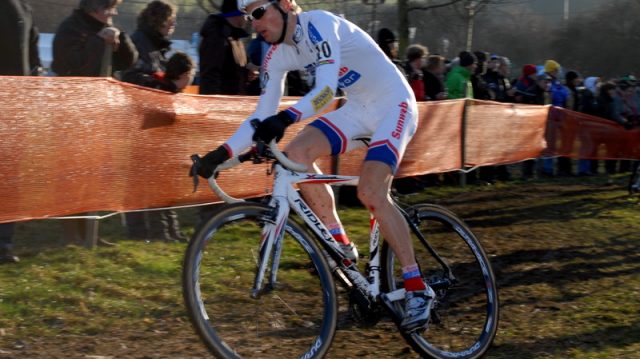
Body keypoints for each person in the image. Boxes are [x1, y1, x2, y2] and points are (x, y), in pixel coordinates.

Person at [192, 0, 434, 332]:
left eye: (259, 12)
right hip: (359, 108)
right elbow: (260, 115)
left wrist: (286, 117)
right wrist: (219, 154)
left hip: (394, 104)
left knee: (371, 192)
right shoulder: (275, 54)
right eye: (249, 17)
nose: (254, 22)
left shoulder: (318, 24)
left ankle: (417, 287)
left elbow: (323, 92)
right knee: (294, 155)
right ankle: (341, 244)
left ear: (286, 5)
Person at [121, 0, 188, 243]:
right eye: (171, 19)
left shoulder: (157, 46)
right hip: (141, 120)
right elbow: (132, 78)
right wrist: (167, 84)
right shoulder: (140, 42)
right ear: (159, 20)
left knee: (161, 176)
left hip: (155, 119)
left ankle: (167, 230)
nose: (173, 24)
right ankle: (144, 232)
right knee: (144, 178)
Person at [0, 0, 42, 263]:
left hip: (15, 105)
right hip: (13, 101)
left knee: (9, 176)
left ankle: (3, 243)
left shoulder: (24, 8)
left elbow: (33, 55)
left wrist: (32, 91)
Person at [52, 0, 137, 77]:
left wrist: (121, 39)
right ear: (94, 8)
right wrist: (99, 40)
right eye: (110, 8)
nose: (114, 13)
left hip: (104, 90)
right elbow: (77, 66)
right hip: (74, 91)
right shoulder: (69, 29)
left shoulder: (104, 27)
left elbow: (127, 63)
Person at [198, 0, 251, 95]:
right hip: (220, 105)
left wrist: (247, 73)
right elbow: (210, 75)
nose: (248, 18)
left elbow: (233, 71)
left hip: (234, 104)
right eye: (246, 14)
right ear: (238, 14)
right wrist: (215, 106)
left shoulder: (235, 37)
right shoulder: (216, 36)